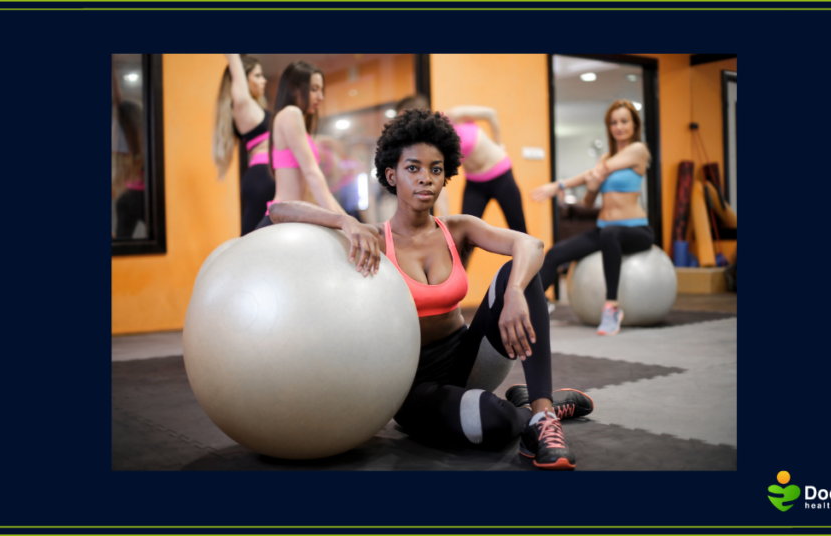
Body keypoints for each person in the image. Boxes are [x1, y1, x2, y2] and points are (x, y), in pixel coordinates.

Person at [269, 109, 593, 470]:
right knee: (494, 422)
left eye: (435, 169)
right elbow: (278, 211)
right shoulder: (373, 237)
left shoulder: (457, 229)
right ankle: (527, 405)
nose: (426, 179)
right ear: (392, 174)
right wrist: (342, 220)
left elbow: (530, 245)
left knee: (520, 271)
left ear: (446, 175)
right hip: (413, 384)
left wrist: (515, 291)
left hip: (471, 361)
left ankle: (544, 415)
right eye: (413, 168)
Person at [530, 100, 654, 336]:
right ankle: (535, 306)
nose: (618, 126)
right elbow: (588, 201)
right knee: (555, 254)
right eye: (613, 122)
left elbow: (598, 172)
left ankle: (612, 308)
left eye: (624, 121)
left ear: (634, 124)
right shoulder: (606, 157)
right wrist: (593, 187)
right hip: (605, 230)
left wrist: (559, 184)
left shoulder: (639, 150)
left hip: (635, 230)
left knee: (610, 233)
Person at [396, 95, 527, 233]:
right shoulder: (431, 145)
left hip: (501, 174)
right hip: (475, 183)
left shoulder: (452, 116)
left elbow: (491, 114)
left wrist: (500, 144)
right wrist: (444, 221)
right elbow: (438, 183)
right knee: (463, 235)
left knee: (518, 229)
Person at [255, 61, 347, 229]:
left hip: (293, 219)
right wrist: (345, 222)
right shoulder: (291, 113)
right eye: (314, 89)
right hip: (283, 219)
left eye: (321, 90)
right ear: (294, 89)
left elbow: (315, 182)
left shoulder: (293, 121)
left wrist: (346, 220)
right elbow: (312, 174)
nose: (321, 97)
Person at [213, 54, 275, 235]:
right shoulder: (243, 106)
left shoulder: (254, 109)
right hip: (263, 178)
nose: (264, 80)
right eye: (257, 75)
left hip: (266, 176)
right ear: (242, 79)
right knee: (252, 242)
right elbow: (233, 60)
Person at [112, 56, 145, 239]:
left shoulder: (128, 147)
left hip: (128, 196)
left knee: (123, 241)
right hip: (136, 196)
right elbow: (118, 102)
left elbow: (118, 103)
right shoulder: (135, 148)